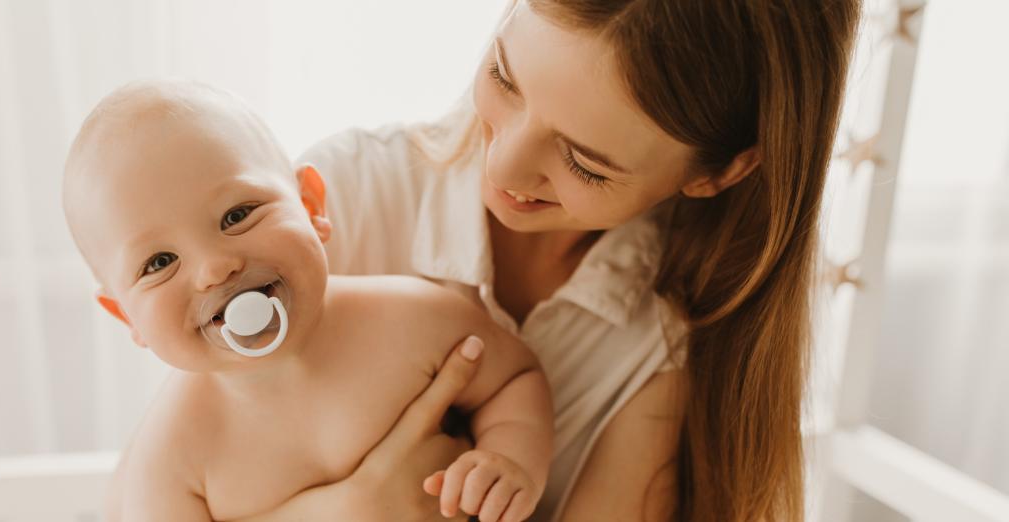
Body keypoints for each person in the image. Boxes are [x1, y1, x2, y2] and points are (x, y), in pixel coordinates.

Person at [242, 1, 861, 520]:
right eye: (504, 77)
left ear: (718, 173)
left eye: (585, 164)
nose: (503, 166)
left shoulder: (664, 343)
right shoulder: (342, 201)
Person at [62, 80, 554, 522]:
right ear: (127, 317)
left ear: (311, 206)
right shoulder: (173, 461)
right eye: (159, 262)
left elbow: (513, 377)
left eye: (237, 215)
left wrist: (509, 458)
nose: (215, 268)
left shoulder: (413, 320)